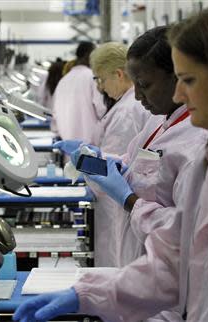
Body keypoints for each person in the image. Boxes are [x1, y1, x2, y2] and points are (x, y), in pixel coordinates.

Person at [14, 4, 208, 322]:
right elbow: (171, 266)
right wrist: (84, 295)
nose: (178, 94)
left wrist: (131, 201)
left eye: (187, 80)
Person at [55, 28, 208, 267]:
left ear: (177, 78)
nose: (136, 95)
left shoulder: (195, 142)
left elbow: (183, 230)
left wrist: (129, 200)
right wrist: (110, 163)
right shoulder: (159, 121)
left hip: (166, 275)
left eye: (144, 85)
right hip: (138, 259)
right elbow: (135, 162)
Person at [57, 42, 151, 266]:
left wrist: (91, 162)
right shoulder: (125, 106)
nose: (100, 87)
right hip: (120, 205)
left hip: (116, 205)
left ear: (118, 74)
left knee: (115, 263)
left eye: (101, 79)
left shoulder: (127, 111)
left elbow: (112, 172)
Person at [53, 41, 106, 144]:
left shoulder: (63, 80)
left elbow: (54, 116)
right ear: (88, 55)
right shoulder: (92, 77)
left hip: (68, 145)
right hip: (90, 146)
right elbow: (102, 110)